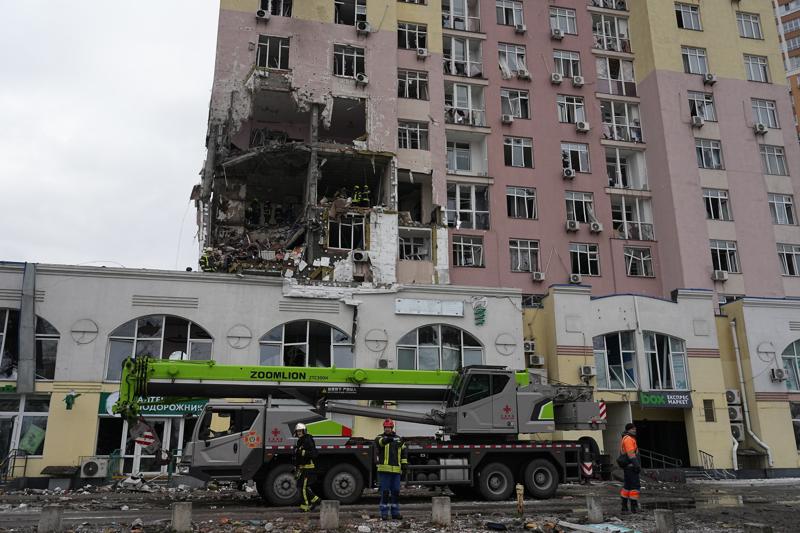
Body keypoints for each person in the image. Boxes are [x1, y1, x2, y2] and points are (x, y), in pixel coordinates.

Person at [375, 419, 407, 520]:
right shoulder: (379, 437)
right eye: (386, 427)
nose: (387, 429)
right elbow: (381, 443)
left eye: (389, 427)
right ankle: (384, 513)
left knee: (396, 492)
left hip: (396, 471)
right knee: (385, 492)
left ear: (392, 428)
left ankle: (395, 513)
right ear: (384, 428)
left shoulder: (399, 439)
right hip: (384, 471)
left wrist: (404, 464)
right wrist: (391, 439)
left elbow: (403, 452)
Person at [293, 422, 320, 512]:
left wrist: (302, 452)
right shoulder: (299, 441)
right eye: (297, 431)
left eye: (300, 431)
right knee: (300, 486)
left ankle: (305, 506)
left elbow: (314, 454)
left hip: (308, 469)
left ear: (304, 431)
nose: (299, 433)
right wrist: (296, 467)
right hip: (302, 468)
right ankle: (315, 500)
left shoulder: (308, 440)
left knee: (303, 488)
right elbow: (299, 457)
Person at [619, 422, 641, 514]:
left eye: (635, 429)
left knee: (627, 487)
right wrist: (636, 465)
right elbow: (631, 454)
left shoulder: (626, 438)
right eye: (632, 429)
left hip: (628, 467)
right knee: (635, 486)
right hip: (631, 467)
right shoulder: (628, 439)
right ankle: (634, 507)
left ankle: (624, 507)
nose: (635, 430)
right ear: (628, 430)